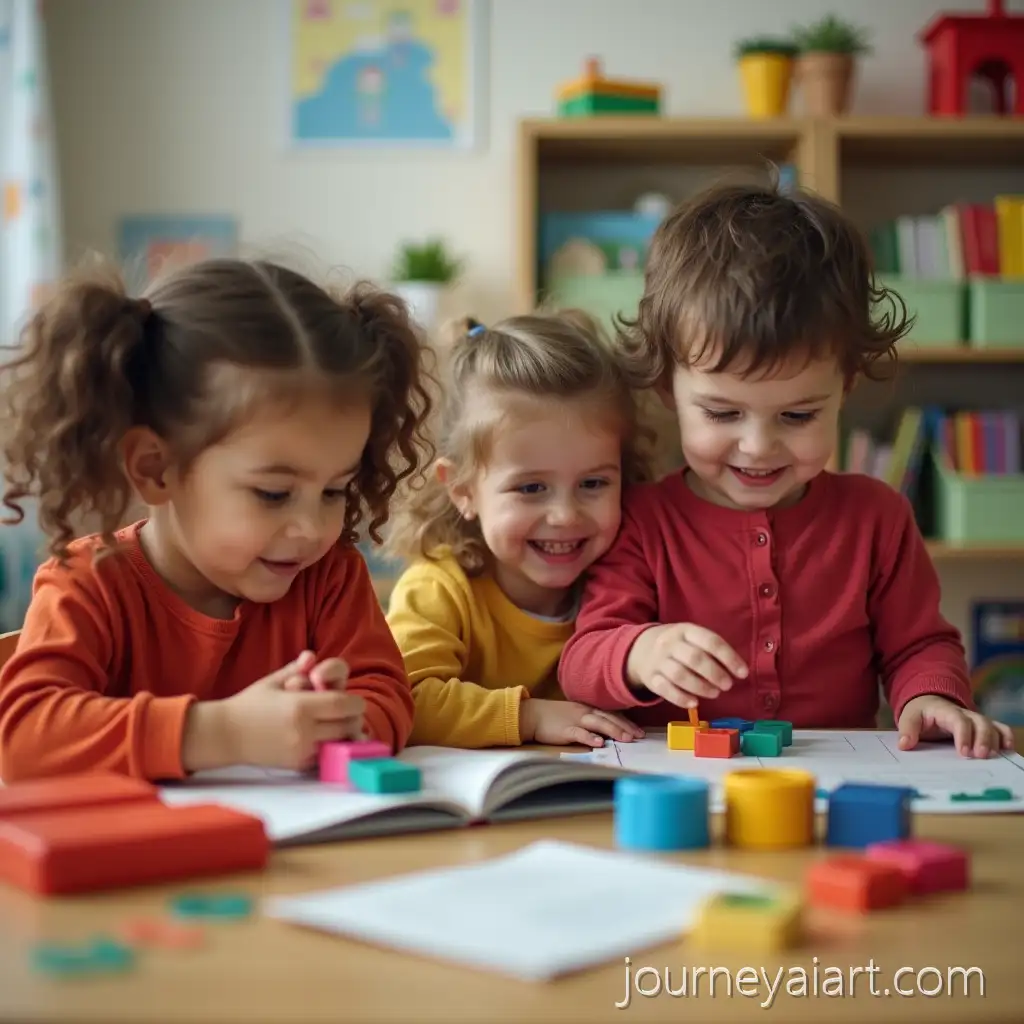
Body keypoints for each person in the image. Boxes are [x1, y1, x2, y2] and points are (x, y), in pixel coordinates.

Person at [559, 181, 1013, 759]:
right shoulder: (642, 523)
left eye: (798, 414)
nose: (758, 446)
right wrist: (639, 652)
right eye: (722, 412)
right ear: (667, 387)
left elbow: (918, 645)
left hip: (838, 779)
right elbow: (581, 661)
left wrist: (931, 697)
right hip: (680, 775)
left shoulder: (877, 517)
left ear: (845, 386)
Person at [0, 256, 433, 782]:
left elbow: (386, 694)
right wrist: (227, 732)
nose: (313, 528)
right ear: (155, 469)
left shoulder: (328, 578)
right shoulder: (87, 585)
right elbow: (23, 738)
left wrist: (333, 722)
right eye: (274, 494)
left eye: (334, 490)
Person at [383, 312, 649, 748]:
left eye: (593, 483)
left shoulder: (630, 576)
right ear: (464, 490)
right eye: (530, 487)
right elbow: (400, 699)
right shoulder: (439, 587)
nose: (565, 515)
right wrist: (527, 717)